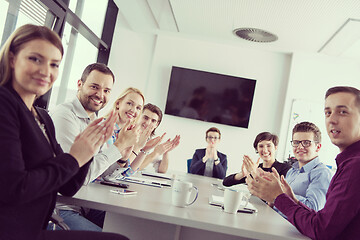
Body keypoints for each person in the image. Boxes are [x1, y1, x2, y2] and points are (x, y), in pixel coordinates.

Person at [0, 24, 127, 240]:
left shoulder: (43, 117)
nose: (45, 71)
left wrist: (88, 150)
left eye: (54, 64)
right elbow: (15, 189)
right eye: (35, 59)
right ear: (12, 59)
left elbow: (68, 186)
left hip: (31, 229)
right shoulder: (4, 104)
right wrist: (74, 157)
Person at [246, 86, 360, 240]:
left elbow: (321, 229)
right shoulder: (346, 163)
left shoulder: (354, 166)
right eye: (328, 112)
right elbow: (323, 220)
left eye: (343, 112)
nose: (332, 119)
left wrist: (279, 197)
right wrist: (290, 199)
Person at [51, 65, 139, 231]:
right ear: (79, 84)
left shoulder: (92, 121)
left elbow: (101, 175)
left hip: (85, 206)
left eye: (106, 90)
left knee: (135, 226)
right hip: (62, 210)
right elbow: (77, 179)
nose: (100, 95)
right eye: (94, 87)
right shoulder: (65, 116)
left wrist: (122, 157)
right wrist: (118, 146)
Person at [276, 122, 332, 211]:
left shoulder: (322, 173)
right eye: (296, 142)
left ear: (318, 147)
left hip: (292, 224)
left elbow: (313, 208)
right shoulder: (292, 171)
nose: (300, 147)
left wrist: (284, 195)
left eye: (306, 143)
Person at [223, 132, 291, 186]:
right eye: (261, 146)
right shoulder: (255, 168)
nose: (265, 150)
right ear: (257, 149)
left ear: (275, 148)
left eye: (268, 146)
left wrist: (255, 174)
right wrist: (242, 174)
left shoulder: (285, 168)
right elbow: (226, 182)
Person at [137, 103, 180, 173]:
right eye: (145, 117)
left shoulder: (153, 141)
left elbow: (162, 170)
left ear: (156, 125)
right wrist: (155, 153)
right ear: (139, 117)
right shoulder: (129, 135)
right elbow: (132, 168)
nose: (148, 123)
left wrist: (165, 152)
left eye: (153, 121)